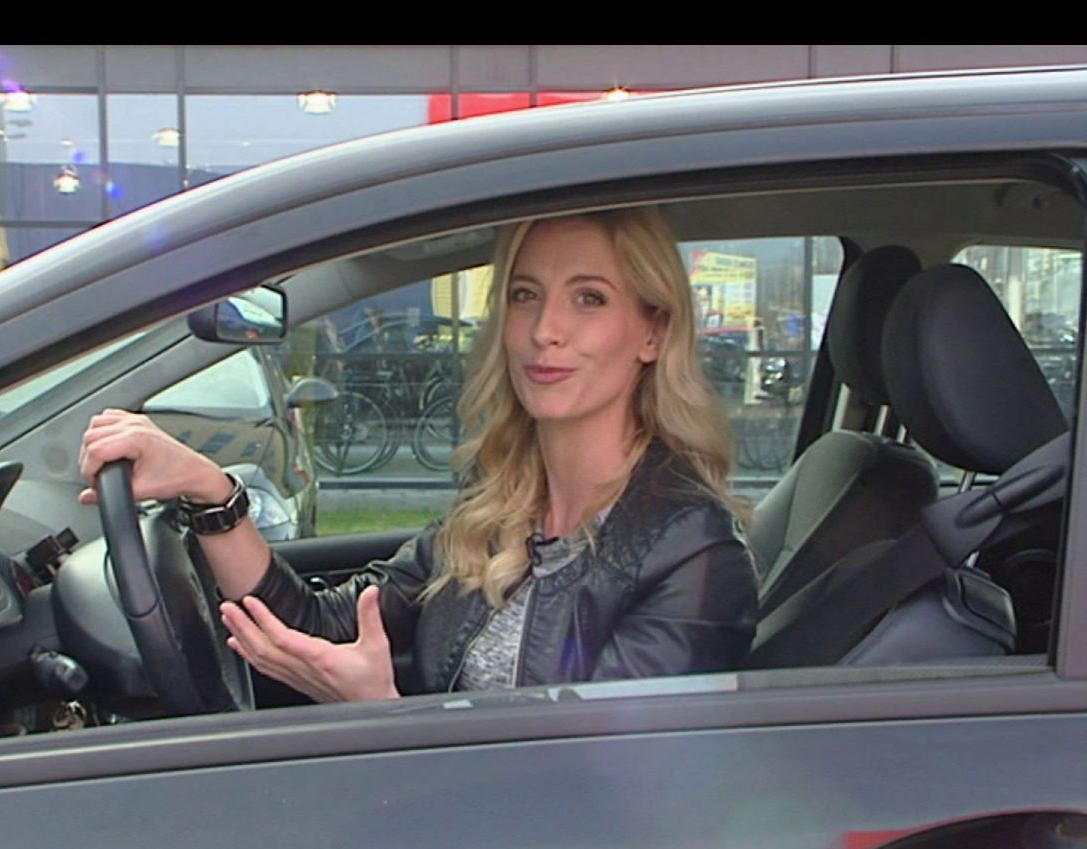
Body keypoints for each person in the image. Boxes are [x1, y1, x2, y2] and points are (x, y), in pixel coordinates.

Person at [79, 207, 758, 704]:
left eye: (589, 299)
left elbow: (597, 803)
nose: (545, 330)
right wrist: (210, 492)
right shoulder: (501, 503)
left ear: (653, 331)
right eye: (525, 296)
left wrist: (380, 713)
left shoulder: (692, 552)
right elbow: (326, 627)